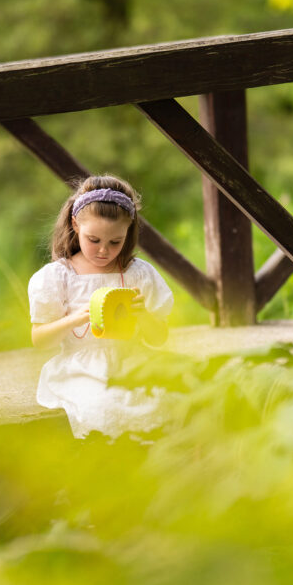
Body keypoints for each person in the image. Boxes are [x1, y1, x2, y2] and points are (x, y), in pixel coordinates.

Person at [27, 175, 174, 439]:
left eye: (115, 242)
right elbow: (39, 339)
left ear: (128, 233)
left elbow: (159, 337)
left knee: (165, 399)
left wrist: (145, 318)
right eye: (94, 240)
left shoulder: (137, 274)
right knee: (103, 406)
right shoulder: (60, 276)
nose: (104, 251)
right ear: (75, 224)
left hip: (132, 362)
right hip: (82, 368)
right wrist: (75, 319)